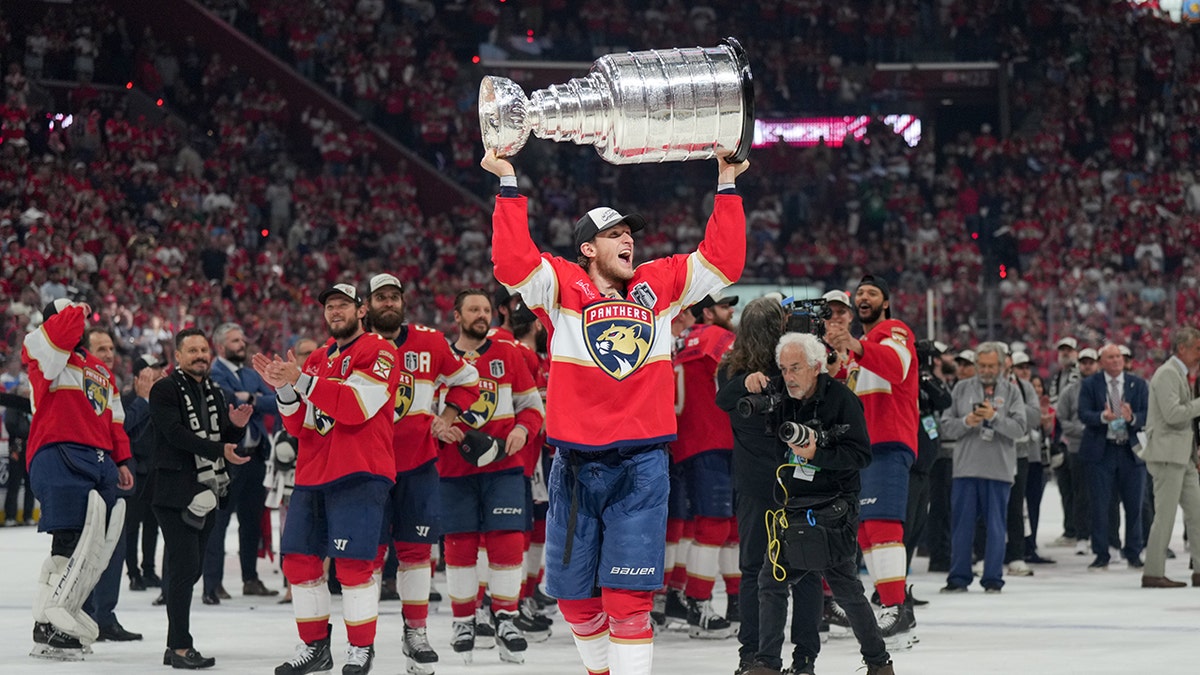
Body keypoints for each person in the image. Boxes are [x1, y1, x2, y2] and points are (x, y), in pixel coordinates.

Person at [484, 148, 749, 675]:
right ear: (587, 248)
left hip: (642, 466)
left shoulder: (662, 283)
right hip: (576, 468)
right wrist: (508, 182)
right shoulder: (559, 284)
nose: (629, 240)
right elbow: (512, 263)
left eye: (632, 234)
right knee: (576, 602)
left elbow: (723, 261)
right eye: (615, 235)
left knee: (628, 602)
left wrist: (727, 183)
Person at [253, 283, 401, 675]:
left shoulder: (380, 350)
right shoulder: (317, 358)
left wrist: (299, 381)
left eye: (343, 305)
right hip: (313, 472)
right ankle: (315, 647)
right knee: (299, 562)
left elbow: (356, 406)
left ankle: (360, 649)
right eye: (330, 307)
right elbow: (300, 425)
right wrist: (284, 388)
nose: (335, 312)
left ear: (362, 310)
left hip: (359, 471)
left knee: (353, 565)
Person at [742, 333, 895, 675]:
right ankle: (767, 663)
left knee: (847, 590)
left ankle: (879, 662)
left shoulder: (842, 399)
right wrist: (748, 382)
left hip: (834, 508)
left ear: (815, 366)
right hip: (793, 506)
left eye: (795, 368)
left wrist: (818, 454)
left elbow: (861, 456)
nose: (789, 376)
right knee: (771, 580)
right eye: (783, 369)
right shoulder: (784, 399)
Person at [364, 272, 480, 675]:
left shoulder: (430, 342)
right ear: (368, 306)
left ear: (403, 302)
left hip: (418, 463)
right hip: (367, 468)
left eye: (394, 296)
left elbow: (468, 380)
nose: (389, 303)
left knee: (416, 554)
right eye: (381, 297)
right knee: (369, 557)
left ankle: (416, 633)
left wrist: (446, 416)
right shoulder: (354, 347)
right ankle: (363, 645)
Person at [23, 299, 133, 661]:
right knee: (68, 540)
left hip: (99, 458)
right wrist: (74, 308)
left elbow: (113, 418)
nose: (78, 319)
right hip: (58, 452)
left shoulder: (101, 369)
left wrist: (122, 460)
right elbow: (60, 336)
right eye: (70, 315)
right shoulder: (41, 348)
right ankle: (48, 625)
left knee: (93, 548)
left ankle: (62, 618)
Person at [442, 288, 544, 664]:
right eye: (473, 309)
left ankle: (507, 617)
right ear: (457, 316)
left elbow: (532, 406)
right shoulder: (442, 358)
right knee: (460, 547)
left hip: (503, 466)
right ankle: (464, 620)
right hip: (454, 469)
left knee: (506, 543)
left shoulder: (509, 354)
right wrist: (440, 428)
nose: (481, 315)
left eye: (486, 309)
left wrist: (523, 430)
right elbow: (430, 412)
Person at [147, 327, 253, 669]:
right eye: (192, 351)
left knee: (189, 571)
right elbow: (175, 434)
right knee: (184, 568)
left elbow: (222, 434)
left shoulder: (215, 391)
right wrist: (220, 447)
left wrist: (235, 428)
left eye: (204, 350)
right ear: (177, 356)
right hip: (174, 492)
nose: (200, 356)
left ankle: (173, 644)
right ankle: (179, 647)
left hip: (209, 489)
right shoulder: (163, 389)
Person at [824, 275, 919, 647]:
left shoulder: (895, 330)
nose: (864, 298)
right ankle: (889, 607)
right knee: (866, 533)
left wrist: (852, 346)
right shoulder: (859, 346)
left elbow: (897, 367)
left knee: (882, 528)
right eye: (860, 293)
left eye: (872, 293)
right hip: (862, 449)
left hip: (889, 442)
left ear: (885, 302)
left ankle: (897, 607)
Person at [672, 291, 739, 639]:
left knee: (727, 525)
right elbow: (743, 371)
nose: (732, 312)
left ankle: (735, 599)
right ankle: (699, 602)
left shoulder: (680, 342)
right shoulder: (715, 336)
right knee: (714, 526)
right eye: (727, 306)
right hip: (712, 442)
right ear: (708, 312)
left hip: (690, 443)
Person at [939, 342, 1027, 593]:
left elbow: (1020, 428)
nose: (986, 370)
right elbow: (945, 426)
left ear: (1001, 366)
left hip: (999, 469)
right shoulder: (961, 389)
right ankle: (958, 577)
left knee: (997, 528)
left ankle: (993, 579)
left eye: (991, 366)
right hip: (966, 468)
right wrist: (967, 421)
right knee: (961, 527)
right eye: (983, 365)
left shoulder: (1012, 392)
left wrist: (994, 418)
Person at [204, 323, 280, 603]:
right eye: (236, 340)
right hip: (227, 457)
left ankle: (251, 578)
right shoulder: (213, 374)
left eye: (242, 339)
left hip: (255, 454)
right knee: (219, 523)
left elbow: (275, 402)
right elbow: (226, 403)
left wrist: (251, 399)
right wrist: (253, 400)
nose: (242, 343)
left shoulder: (250, 373)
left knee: (252, 522)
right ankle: (213, 584)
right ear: (221, 347)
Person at [80, 328, 143, 643]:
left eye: (110, 348)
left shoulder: (110, 383)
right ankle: (84, 614)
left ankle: (104, 616)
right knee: (84, 547)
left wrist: (121, 461)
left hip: (111, 470)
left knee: (113, 547)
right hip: (82, 469)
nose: (107, 354)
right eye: (100, 348)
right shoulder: (76, 377)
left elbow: (117, 427)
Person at [1078, 344, 1149, 571]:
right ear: (1101, 361)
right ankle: (1102, 552)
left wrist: (1131, 418)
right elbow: (1083, 413)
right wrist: (1102, 416)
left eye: (1118, 356)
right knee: (1100, 505)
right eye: (1111, 357)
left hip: (1130, 451)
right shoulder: (1090, 384)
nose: (1116, 360)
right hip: (1102, 451)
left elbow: (1148, 413)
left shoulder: (1137, 384)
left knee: (1134, 505)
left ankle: (1134, 552)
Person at [1140, 327, 1200, 588]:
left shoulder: (1180, 374)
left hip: (1182, 455)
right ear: (1182, 349)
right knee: (1164, 516)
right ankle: (1153, 572)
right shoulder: (1166, 374)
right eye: (1197, 348)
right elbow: (1173, 414)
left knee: (1197, 514)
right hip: (1167, 455)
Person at [123, 355, 165, 593]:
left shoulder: (163, 400)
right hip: (135, 471)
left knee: (152, 524)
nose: (157, 375)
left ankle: (149, 569)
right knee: (132, 526)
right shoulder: (128, 400)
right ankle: (133, 572)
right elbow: (125, 427)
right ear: (139, 377)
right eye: (152, 371)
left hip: (156, 471)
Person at [1055, 348, 1099, 557]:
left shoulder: (1104, 388)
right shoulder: (1070, 391)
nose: (1087, 366)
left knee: (1103, 494)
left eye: (1091, 362)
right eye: (1084, 362)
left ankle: (1104, 536)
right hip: (1077, 448)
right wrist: (1081, 430)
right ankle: (1082, 536)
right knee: (1081, 493)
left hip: (1102, 447)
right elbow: (1062, 419)